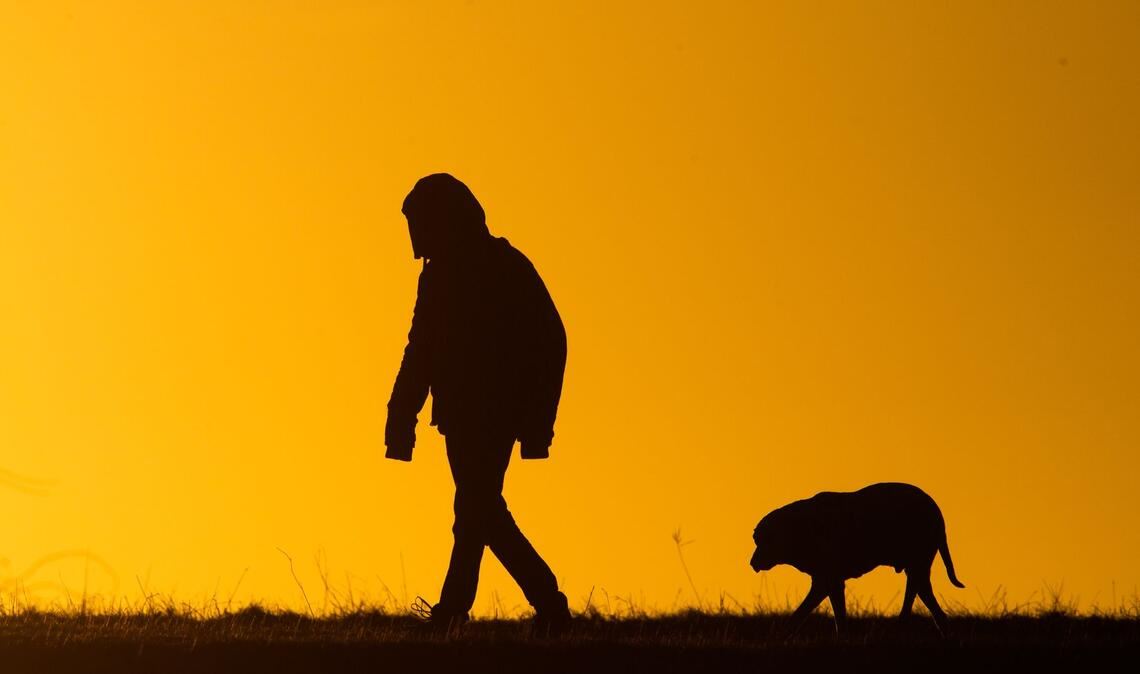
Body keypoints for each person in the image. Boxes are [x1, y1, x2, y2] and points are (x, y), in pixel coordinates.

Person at [384, 173, 571, 636]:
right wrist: (400, 418)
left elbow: (551, 341)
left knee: (478, 509)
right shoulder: (438, 275)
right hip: (459, 416)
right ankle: (471, 610)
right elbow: (421, 348)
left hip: (495, 415)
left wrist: (537, 423)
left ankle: (531, 601)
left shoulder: (504, 267)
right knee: (476, 511)